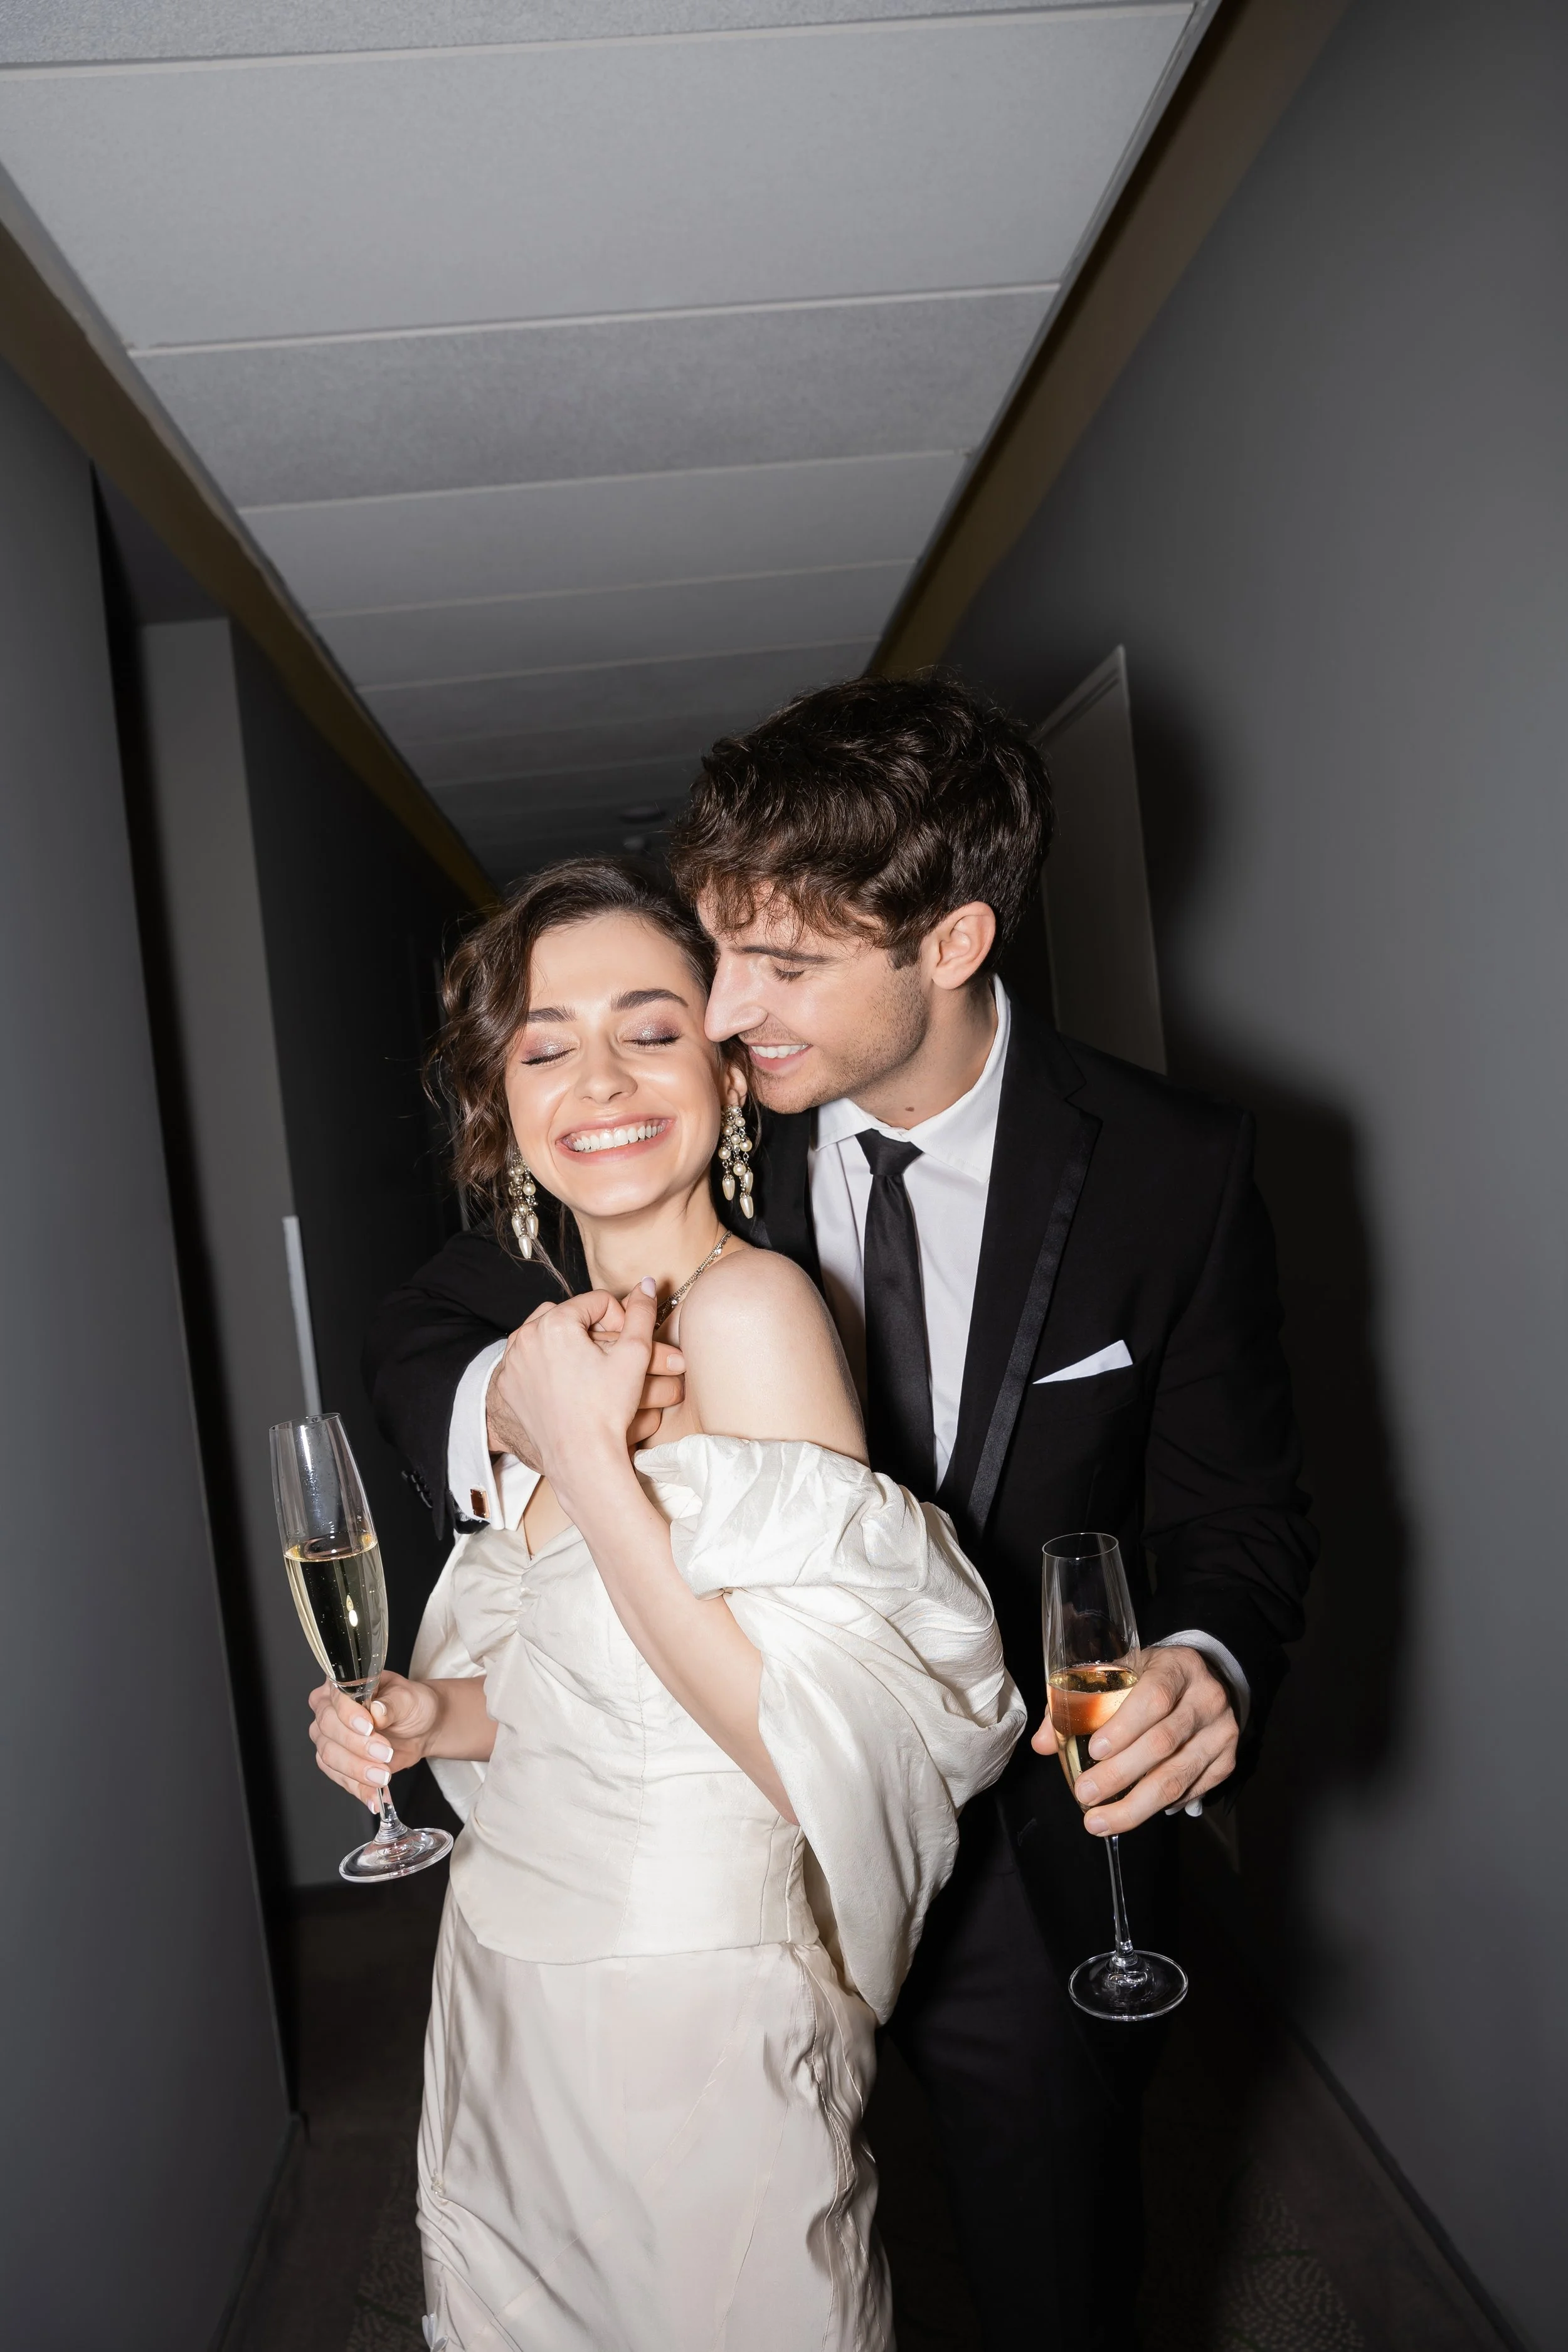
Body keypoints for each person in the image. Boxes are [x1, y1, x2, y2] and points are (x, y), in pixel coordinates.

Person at [363, 675, 1317, 2348]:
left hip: (1026, 1852)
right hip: (713, 1885)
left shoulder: (1177, 1170)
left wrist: (1208, 1661)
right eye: (713, 950)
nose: (722, 1006)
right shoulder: (697, 1123)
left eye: (780, 963)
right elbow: (425, 1323)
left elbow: (1243, 1507)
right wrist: (514, 1399)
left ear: (946, 943)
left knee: (1054, 2269)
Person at [314, 859, 1024, 2351]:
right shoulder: (551, 1343)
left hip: (692, 2013)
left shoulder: (753, 1314)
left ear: (722, 1062)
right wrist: (429, 1712)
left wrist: (586, 1458)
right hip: (505, 1984)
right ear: (498, 1104)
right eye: (544, 1043)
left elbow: (793, 1743)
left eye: (648, 1027)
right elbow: (593, 1685)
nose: (599, 1079)